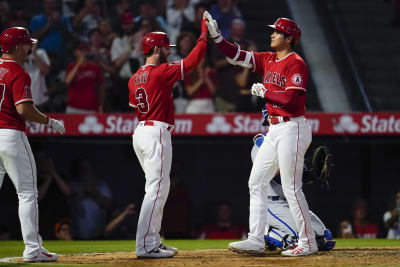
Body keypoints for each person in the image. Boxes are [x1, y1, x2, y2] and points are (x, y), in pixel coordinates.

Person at [204, 12, 317, 256]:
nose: (272, 34)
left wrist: (266, 92)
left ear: (289, 38)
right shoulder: (268, 58)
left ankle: (308, 242)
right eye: (273, 30)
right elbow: (237, 56)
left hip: (293, 126)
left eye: (277, 32)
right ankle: (255, 239)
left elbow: (291, 99)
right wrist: (217, 38)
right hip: (275, 129)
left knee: (291, 188)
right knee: (256, 182)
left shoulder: (296, 62)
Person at [128, 15, 209, 258]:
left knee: (157, 188)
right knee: (156, 189)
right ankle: (145, 245)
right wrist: (204, 36)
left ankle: (153, 239)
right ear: (155, 48)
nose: (168, 51)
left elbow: (137, 107)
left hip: (142, 131)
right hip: (155, 133)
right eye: (165, 47)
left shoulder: (134, 78)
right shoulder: (160, 71)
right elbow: (193, 61)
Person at [0, 27, 65, 262]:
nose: (30, 47)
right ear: (17, 47)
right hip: (11, 135)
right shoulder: (18, 71)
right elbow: (23, 109)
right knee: (27, 193)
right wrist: (49, 121)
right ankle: (33, 249)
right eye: (27, 44)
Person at [251, 133, 336, 252]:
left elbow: (298, 178)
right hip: (272, 204)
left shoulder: (292, 147)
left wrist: (314, 175)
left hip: (292, 202)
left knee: (323, 239)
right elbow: (272, 176)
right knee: (296, 241)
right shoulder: (261, 145)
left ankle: (275, 231)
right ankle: (265, 230)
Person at [68, 158, 112, 240]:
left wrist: (94, 193)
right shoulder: (72, 185)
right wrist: (82, 193)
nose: (85, 170)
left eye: (87, 167)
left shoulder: (101, 184)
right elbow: (67, 202)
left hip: (98, 233)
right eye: (82, 168)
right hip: (77, 234)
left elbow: (109, 204)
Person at [65, 42, 105, 113]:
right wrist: (78, 65)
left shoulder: (94, 67)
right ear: (75, 52)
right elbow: (68, 81)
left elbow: (101, 87)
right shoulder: (71, 66)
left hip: (91, 108)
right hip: (73, 108)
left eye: (85, 50)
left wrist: (101, 105)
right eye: (80, 50)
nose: (83, 52)